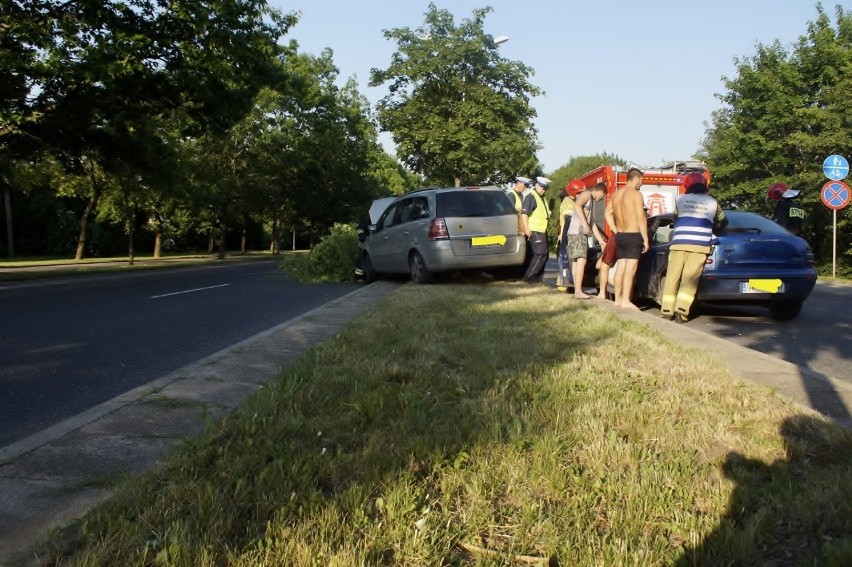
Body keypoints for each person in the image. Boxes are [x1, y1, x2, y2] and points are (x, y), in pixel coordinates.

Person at [660, 171, 727, 323]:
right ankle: (681, 312)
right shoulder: (713, 202)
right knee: (689, 280)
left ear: (687, 186)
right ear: (705, 185)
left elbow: (675, 218)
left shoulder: (680, 199)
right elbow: (722, 221)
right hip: (700, 245)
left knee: (672, 277)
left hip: (679, 243)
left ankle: (666, 311)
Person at [610, 167, 649, 309]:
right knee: (630, 269)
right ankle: (626, 300)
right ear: (636, 178)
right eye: (641, 180)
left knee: (620, 267)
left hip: (620, 235)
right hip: (633, 235)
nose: (641, 184)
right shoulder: (636, 194)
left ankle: (617, 300)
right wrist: (645, 238)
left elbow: (608, 213)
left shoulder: (616, 195)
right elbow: (641, 217)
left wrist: (615, 230)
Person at [565, 182, 606, 298]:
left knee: (577, 261)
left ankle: (577, 289)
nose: (601, 198)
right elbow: (577, 205)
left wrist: (600, 240)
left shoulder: (591, 202)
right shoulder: (587, 194)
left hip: (577, 233)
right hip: (577, 232)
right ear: (600, 191)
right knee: (581, 260)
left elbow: (592, 223)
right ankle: (578, 291)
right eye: (602, 195)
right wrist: (583, 222)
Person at [520, 176, 551, 283]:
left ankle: (537, 278)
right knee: (540, 254)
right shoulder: (531, 196)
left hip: (541, 230)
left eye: (545, 188)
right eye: (542, 187)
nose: (544, 190)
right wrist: (526, 229)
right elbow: (524, 214)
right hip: (535, 230)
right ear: (537, 185)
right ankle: (529, 278)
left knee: (544, 255)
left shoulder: (542, 197)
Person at [556, 179, 584, 291]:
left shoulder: (572, 200)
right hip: (567, 233)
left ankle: (564, 282)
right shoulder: (568, 202)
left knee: (567, 259)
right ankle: (564, 282)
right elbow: (568, 220)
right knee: (565, 258)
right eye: (579, 192)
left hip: (568, 233)